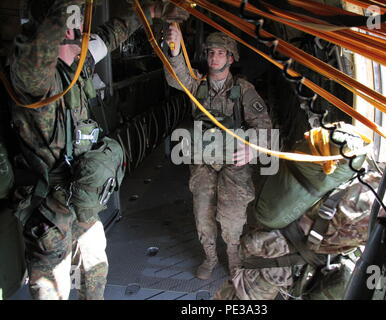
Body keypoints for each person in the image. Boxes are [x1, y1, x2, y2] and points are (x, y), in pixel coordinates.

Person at [7, 0, 188, 300]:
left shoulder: (79, 64)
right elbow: (39, 51)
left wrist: (150, 12)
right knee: (54, 289)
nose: (83, 28)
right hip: (50, 213)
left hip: (82, 199)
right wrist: (62, 10)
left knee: (95, 270)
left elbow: (112, 34)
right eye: (76, 21)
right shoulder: (32, 75)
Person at [164, 26, 273, 280]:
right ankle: (210, 257)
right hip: (203, 160)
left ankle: (234, 257)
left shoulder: (243, 90)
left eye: (221, 53)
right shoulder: (197, 84)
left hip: (234, 162)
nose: (215, 58)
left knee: (232, 217)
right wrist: (176, 48)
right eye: (211, 53)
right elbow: (175, 77)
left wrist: (252, 149)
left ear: (231, 58)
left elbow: (264, 126)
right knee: (203, 214)